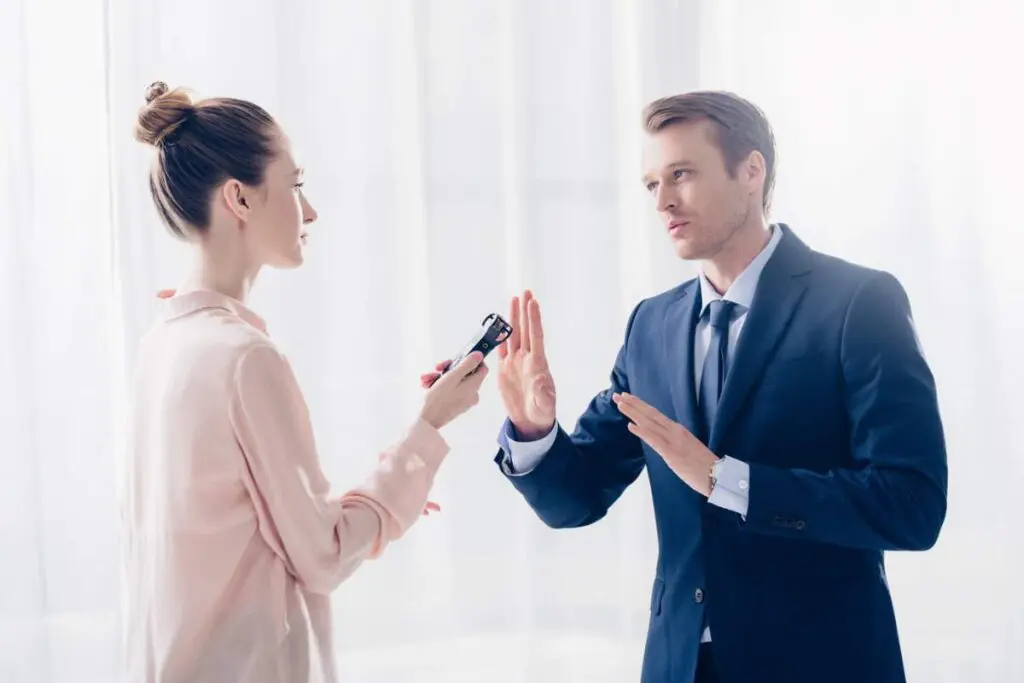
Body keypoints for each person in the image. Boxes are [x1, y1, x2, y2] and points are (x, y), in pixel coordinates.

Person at [461, 91, 948, 683]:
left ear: (751, 172)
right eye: (650, 184)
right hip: (680, 665)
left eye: (682, 174)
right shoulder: (652, 325)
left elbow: (911, 507)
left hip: (823, 661)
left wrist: (728, 482)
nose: (663, 200)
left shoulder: (857, 304)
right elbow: (577, 498)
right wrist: (535, 430)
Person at [122, 81, 490, 683]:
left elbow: (241, 530)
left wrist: (387, 493)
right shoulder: (245, 359)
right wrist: (428, 430)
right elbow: (321, 554)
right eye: (295, 185)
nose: (310, 209)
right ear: (240, 198)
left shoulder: (161, 344)